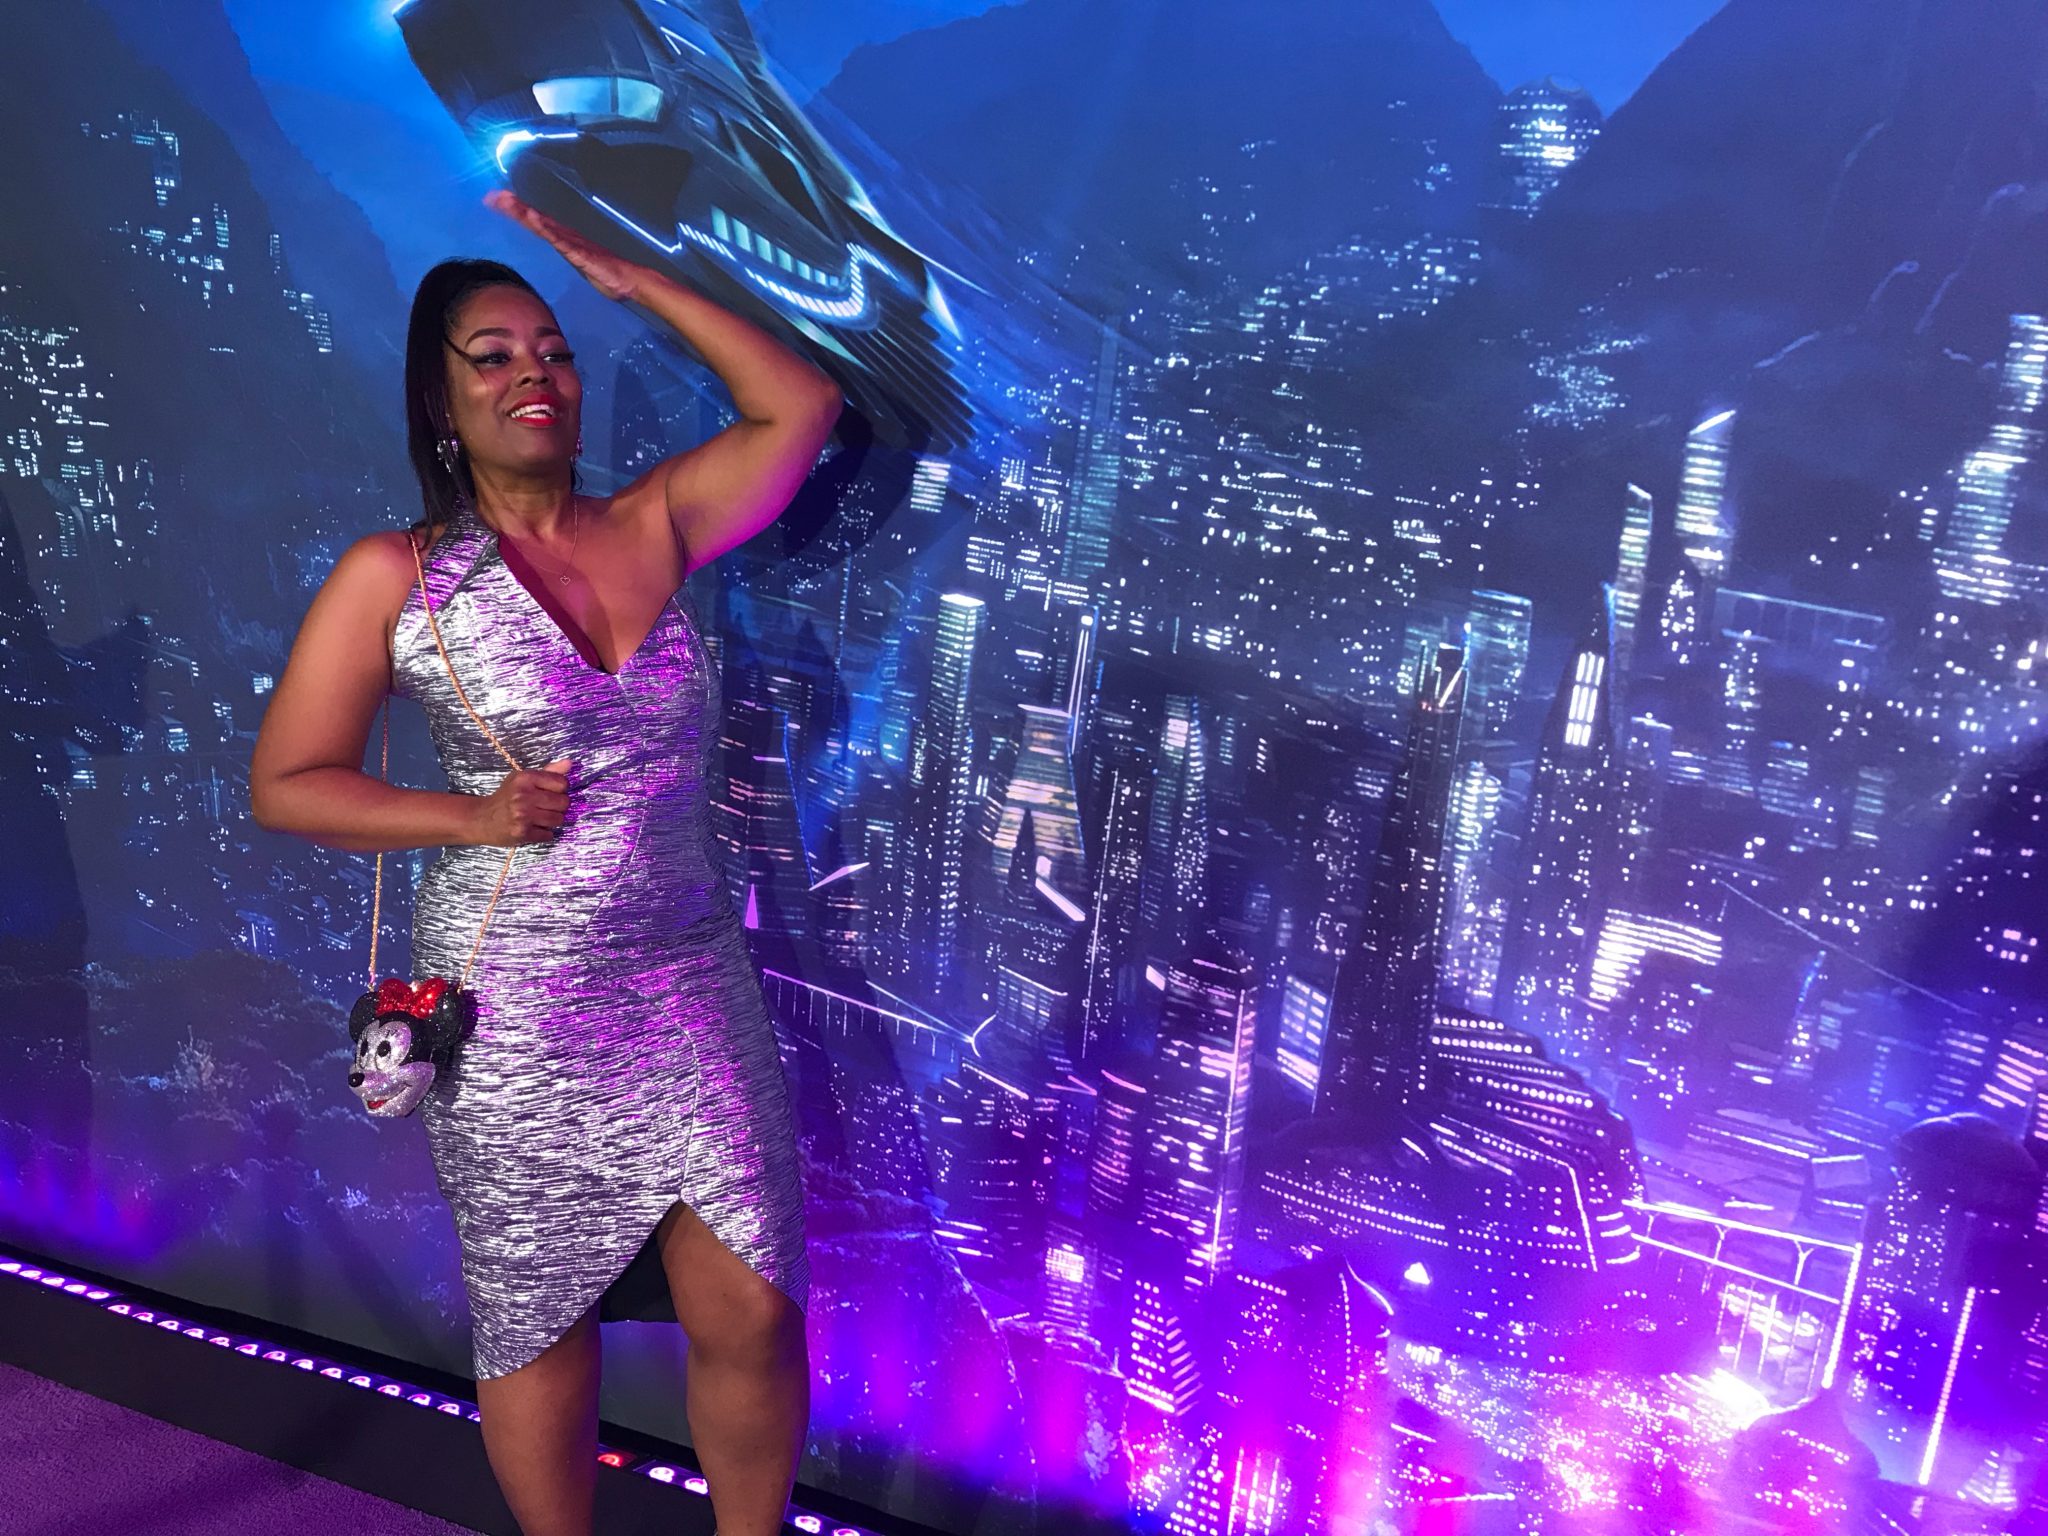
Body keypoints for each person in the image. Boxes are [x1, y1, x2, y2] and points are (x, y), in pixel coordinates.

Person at [250, 188, 842, 1536]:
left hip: (687, 979)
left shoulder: (658, 521)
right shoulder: (398, 577)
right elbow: (288, 783)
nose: (536, 374)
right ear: (439, 401)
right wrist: (472, 818)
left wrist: (636, 278)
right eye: (495, 355)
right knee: (539, 1314)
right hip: (514, 1000)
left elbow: (799, 407)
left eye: (556, 350)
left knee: (752, 1308)